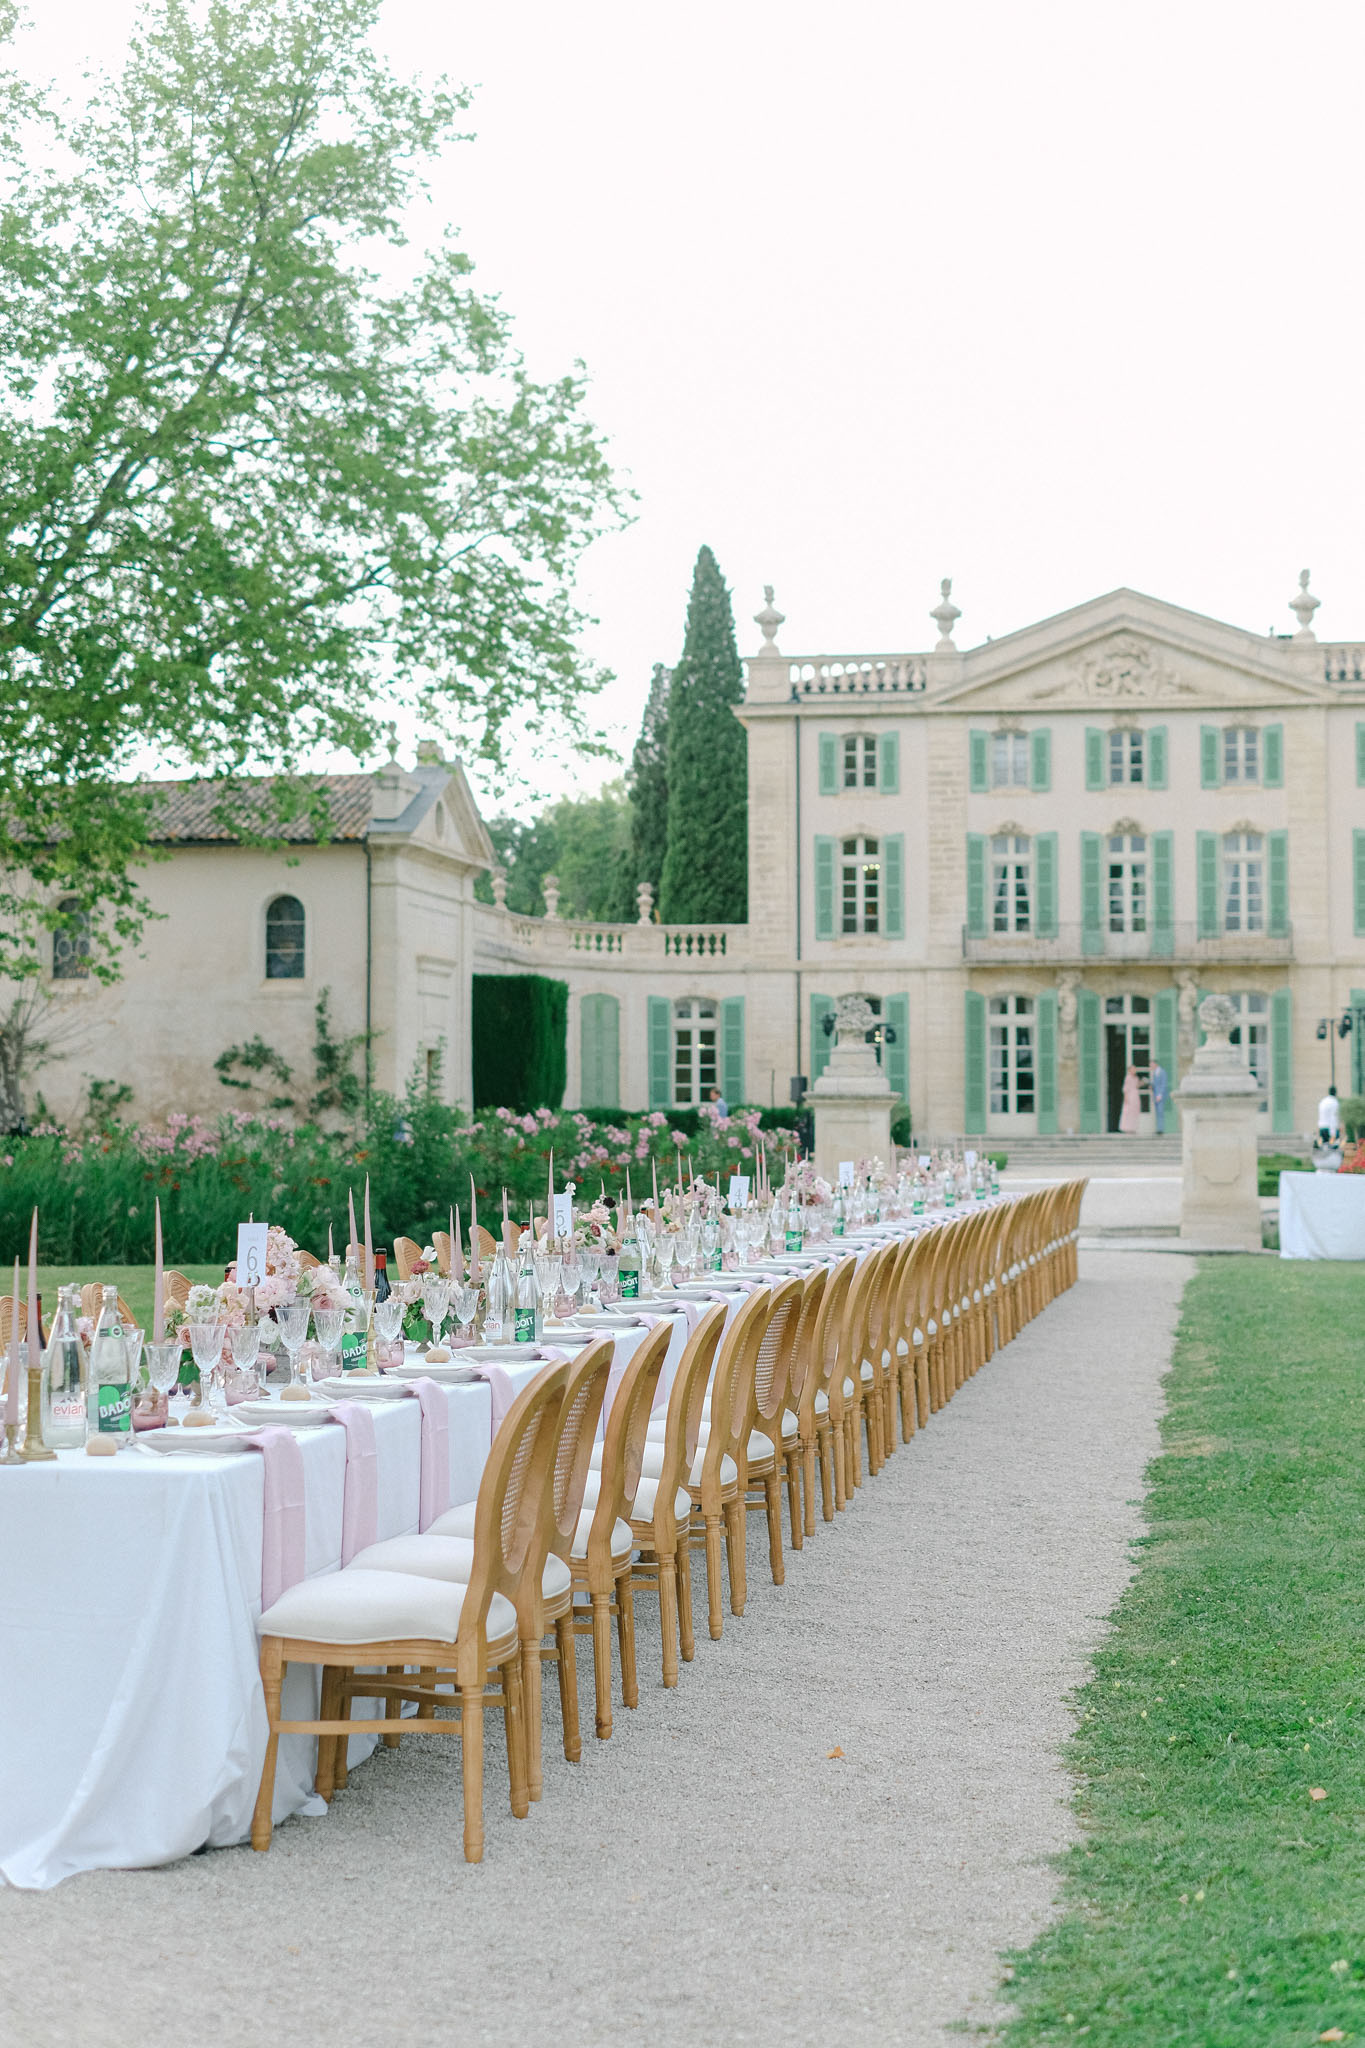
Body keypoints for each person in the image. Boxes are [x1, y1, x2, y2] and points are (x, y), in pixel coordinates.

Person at [1119, 1061, 1141, 1134]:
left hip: (1135, 1095)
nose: (1134, 1070)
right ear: (1129, 1070)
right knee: (1128, 1112)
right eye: (1132, 1069)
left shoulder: (1136, 1077)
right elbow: (1125, 1089)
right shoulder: (1128, 1077)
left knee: (1134, 1112)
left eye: (1135, 1069)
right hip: (1130, 1095)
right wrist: (1126, 1098)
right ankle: (1127, 1128)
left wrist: (1142, 1083)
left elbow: (1137, 1086)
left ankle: (1133, 1128)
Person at [1150, 1060, 1169, 1136]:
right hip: (1156, 1095)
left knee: (1160, 1112)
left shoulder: (1162, 1072)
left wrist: (1160, 1095)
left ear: (1155, 1064)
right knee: (1158, 1112)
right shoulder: (1155, 1073)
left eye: (1151, 1064)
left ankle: (1160, 1129)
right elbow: (1155, 1084)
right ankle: (1158, 1128)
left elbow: (1164, 1084)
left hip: (1160, 1095)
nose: (1151, 1066)